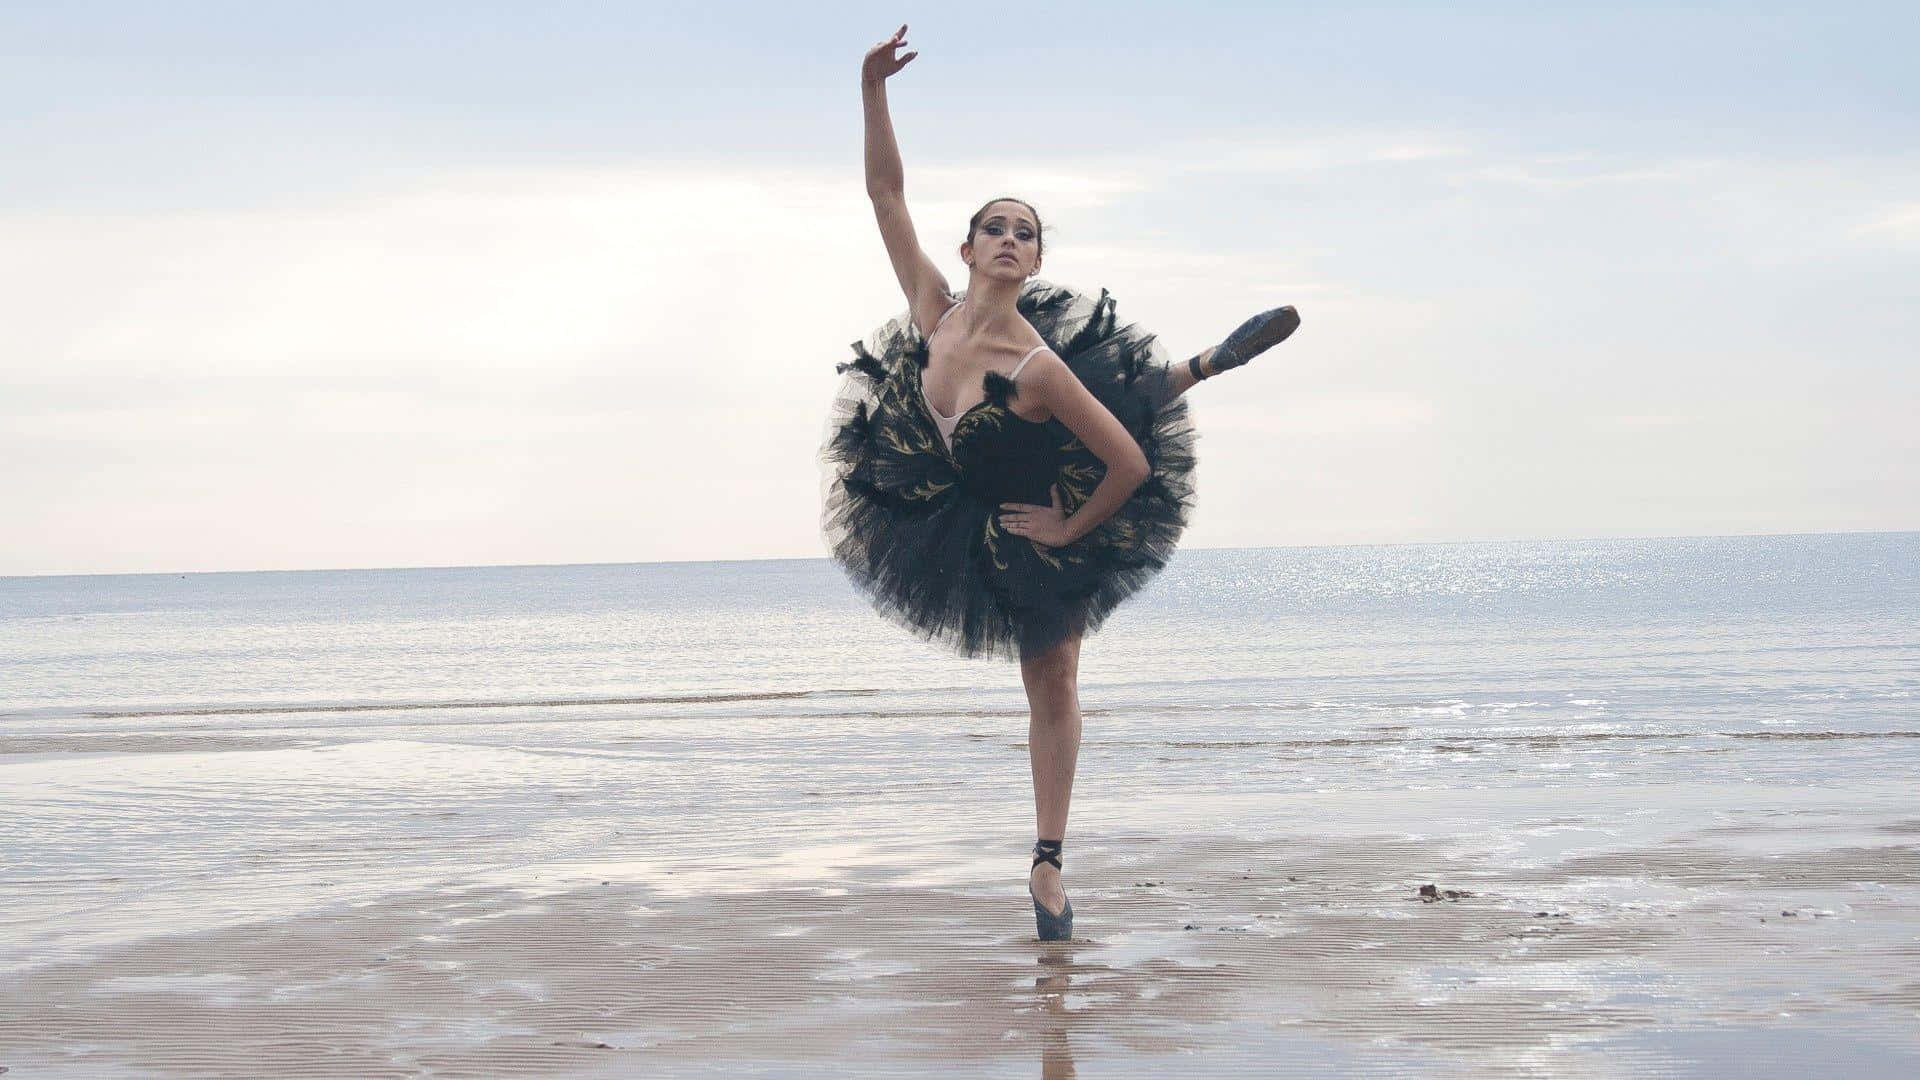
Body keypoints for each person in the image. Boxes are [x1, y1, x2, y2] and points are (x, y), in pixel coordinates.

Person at [823, 25, 1300, 942]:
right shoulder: (935, 312)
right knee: (1116, 392)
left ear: (1037, 262)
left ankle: (1046, 863)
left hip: (1047, 493)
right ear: (968, 250)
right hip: (960, 486)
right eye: (994, 227)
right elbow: (886, 195)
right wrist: (871, 87)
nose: (1009, 239)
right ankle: (1198, 362)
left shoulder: (1037, 365)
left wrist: (1070, 530)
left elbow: (1128, 462)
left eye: (1025, 233)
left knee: (1053, 681)